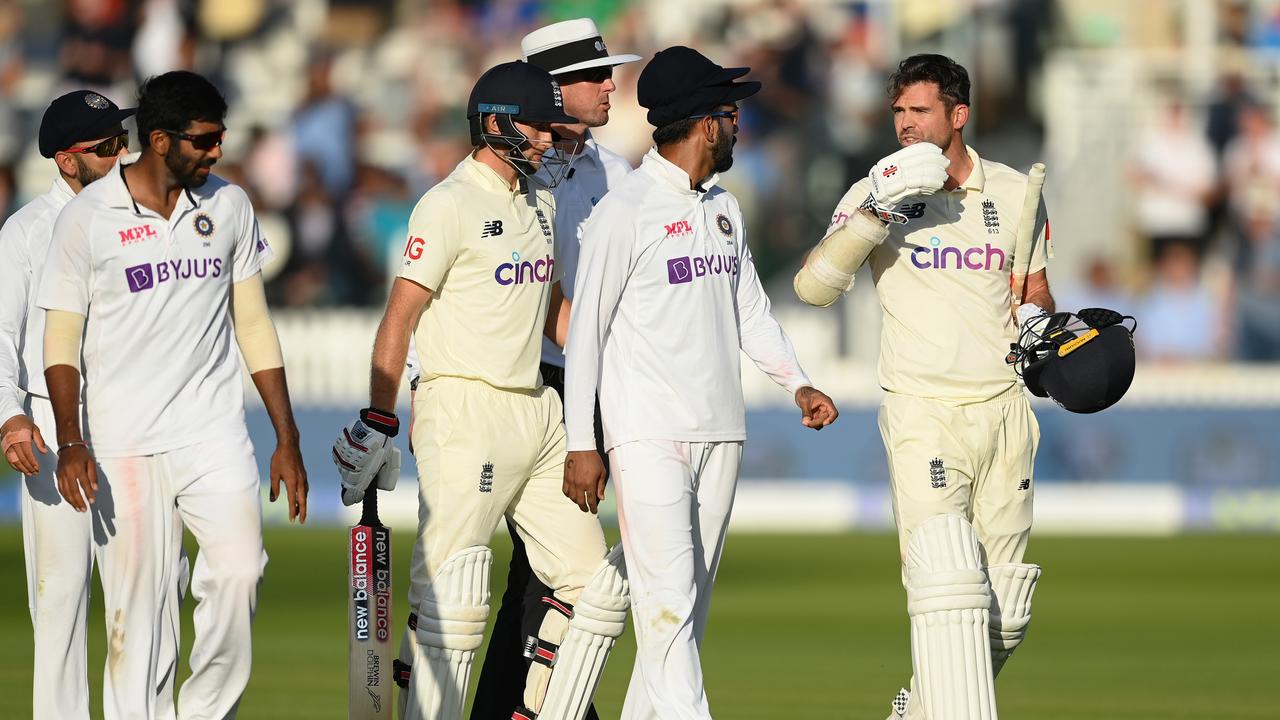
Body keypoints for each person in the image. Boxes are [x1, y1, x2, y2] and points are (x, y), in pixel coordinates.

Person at [331, 61, 627, 720]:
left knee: (598, 589)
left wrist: (628, 355)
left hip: (538, 411)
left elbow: (555, 315)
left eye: (552, 130)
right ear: (494, 124)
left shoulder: (540, 202)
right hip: (464, 409)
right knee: (456, 602)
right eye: (537, 129)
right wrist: (380, 416)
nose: (548, 142)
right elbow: (399, 317)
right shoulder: (447, 204)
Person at [563, 46, 838, 720]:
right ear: (702, 122)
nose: (740, 124)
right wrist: (582, 443)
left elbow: (750, 311)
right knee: (667, 612)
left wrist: (797, 383)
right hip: (647, 434)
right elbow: (585, 336)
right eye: (730, 112)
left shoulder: (724, 208)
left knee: (684, 617)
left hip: (722, 431)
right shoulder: (624, 211)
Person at [38, 71, 308, 720]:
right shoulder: (87, 218)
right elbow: (60, 341)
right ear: (159, 141)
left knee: (241, 572)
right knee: (140, 614)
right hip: (123, 443)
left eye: (221, 138)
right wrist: (70, 441)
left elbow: (253, 322)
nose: (217, 152)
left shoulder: (230, 206)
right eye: (205, 140)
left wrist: (288, 438)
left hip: (212, 432)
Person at [793, 54, 1053, 719]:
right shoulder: (872, 191)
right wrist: (875, 215)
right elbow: (813, 288)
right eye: (898, 113)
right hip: (922, 412)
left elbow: (1035, 293)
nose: (905, 126)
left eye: (920, 112)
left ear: (958, 115)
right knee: (947, 589)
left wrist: (1046, 328)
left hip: (1004, 410)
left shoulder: (1017, 192)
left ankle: (918, 705)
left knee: (1008, 613)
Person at [469, 18, 639, 720]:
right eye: (595, 77)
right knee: (564, 571)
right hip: (527, 382)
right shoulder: (507, 174)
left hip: (591, 381)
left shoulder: (616, 171)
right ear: (553, 89)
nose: (610, 87)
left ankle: (518, 710)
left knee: (541, 574)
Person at [0, 89, 185, 720]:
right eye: (104, 148)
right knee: (60, 603)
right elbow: (1, 331)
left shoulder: (148, 216)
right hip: (53, 424)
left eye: (122, 142)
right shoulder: (26, 232)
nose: (121, 155)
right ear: (65, 160)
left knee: (152, 597)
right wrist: (10, 415)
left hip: (137, 422)